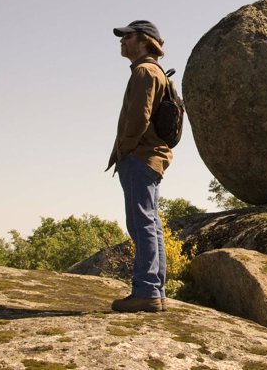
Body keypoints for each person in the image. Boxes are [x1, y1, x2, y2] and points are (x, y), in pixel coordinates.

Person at [107, 20, 172, 313]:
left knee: (141, 223)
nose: (122, 41)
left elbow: (138, 118)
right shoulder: (152, 71)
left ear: (144, 40)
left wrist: (125, 150)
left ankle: (146, 292)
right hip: (149, 157)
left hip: (140, 157)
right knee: (151, 223)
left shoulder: (145, 71)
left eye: (127, 36)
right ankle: (155, 291)